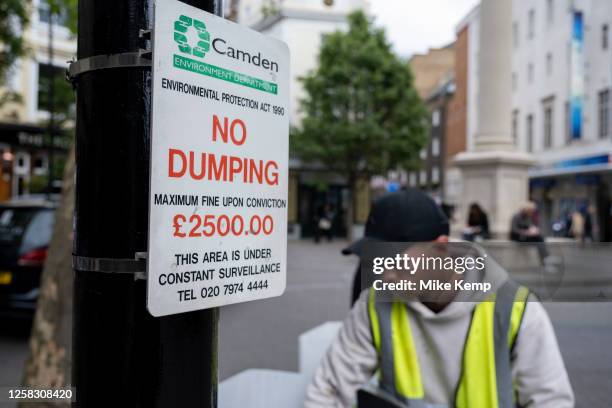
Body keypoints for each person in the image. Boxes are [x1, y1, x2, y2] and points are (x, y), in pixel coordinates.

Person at [306, 191, 573, 408]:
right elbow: (328, 390)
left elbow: (550, 400)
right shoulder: (374, 304)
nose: (385, 275)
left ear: (441, 246)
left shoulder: (516, 310)